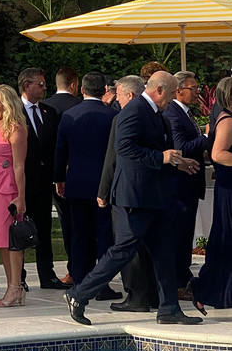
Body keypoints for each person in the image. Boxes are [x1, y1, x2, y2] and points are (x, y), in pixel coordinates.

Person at [64, 71, 202, 326]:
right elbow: (124, 148)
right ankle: (78, 294)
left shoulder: (156, 114)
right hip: (135, 196)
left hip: (154, 196)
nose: (173, 99)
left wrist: (179, 162)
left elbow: (158, 149)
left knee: (164, 253)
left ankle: (169, 308)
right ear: (159, 90)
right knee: (123, 251)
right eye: (171, 94)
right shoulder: (134, 110)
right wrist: (161, 158)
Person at [54, 72, 120, 300]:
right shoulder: (112, 116)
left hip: (77, 183)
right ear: (104, 90)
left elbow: (60, 150)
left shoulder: (69, 115)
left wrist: (59, 178)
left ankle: (80, 281)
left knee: (79, 234)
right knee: (103, 234)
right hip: (103, 184)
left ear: (82, 90)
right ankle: (101, 284)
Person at [96, 75, 157, 313]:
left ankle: (136, 296)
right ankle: (152, 294)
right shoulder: (154, 115)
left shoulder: (123, 118)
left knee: (127, 247)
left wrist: (103, 190)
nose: (116, 100)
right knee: (150, 245)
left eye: (119, 95)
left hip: (127, 192)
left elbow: (113, 158)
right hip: (150, 193)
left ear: (130, 95)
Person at [17, 68, 67, 290]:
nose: (45, 88)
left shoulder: (50, 112)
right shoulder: (14, 112)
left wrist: (58, 175)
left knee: (44, 228)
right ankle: (19, 276)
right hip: (22, 182)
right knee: (19, 229)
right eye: (40, 84)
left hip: (45, 181)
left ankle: (47, 275)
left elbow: (57, 146)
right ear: (27, 86)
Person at [187, 77, 232, 313]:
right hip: (229, 186)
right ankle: (205, 288)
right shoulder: (227, 120)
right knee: (225, 239)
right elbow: (218, 154)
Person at [164, 71, 208, 299]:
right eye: (194, 88)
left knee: (184, 235)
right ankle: (177, 283)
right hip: (179, 187)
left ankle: (182, 277)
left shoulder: (186, 114)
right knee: (179, 237)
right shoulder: (173, 114)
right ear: (179, 90)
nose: (198, 92)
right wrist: (207, 137)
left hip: (189, 186)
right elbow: (181, 147)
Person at [0, 84, 28, 307]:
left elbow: (19, 166)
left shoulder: (16, 130)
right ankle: (11, 285)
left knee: (12, 240)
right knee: (1, 241)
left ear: (7, 104)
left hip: (7, 188)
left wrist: (20, 197)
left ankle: (16, 287)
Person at [41, 67, 81, 286]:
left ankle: (73, 270)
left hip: (55, 173)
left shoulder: (45, 108)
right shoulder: (81, 106)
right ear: (74, 85)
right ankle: (85, 268)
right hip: (81, 172)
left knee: (66, 224)